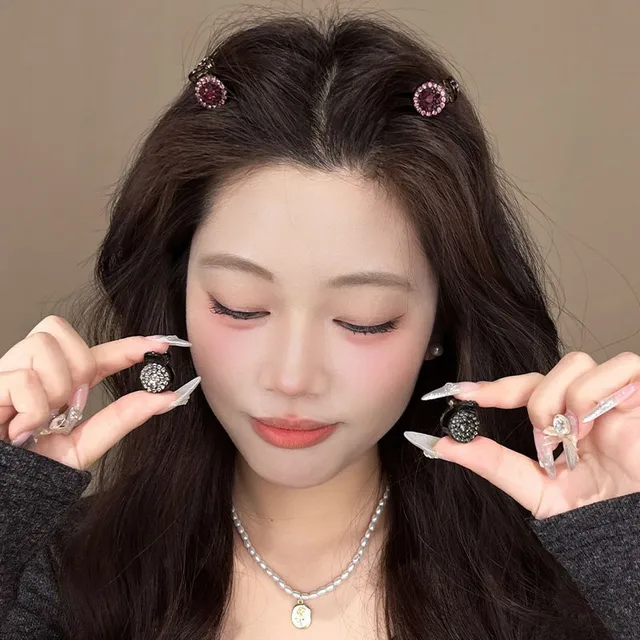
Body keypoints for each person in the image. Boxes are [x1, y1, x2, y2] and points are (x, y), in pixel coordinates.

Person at [1, 9, 638, 640]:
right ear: (179, 296)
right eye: (239, 306)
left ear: (440, 325)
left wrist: (619, 542)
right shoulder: (58, 572)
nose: (292, 377)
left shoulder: (562, 583)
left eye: (365, 321)